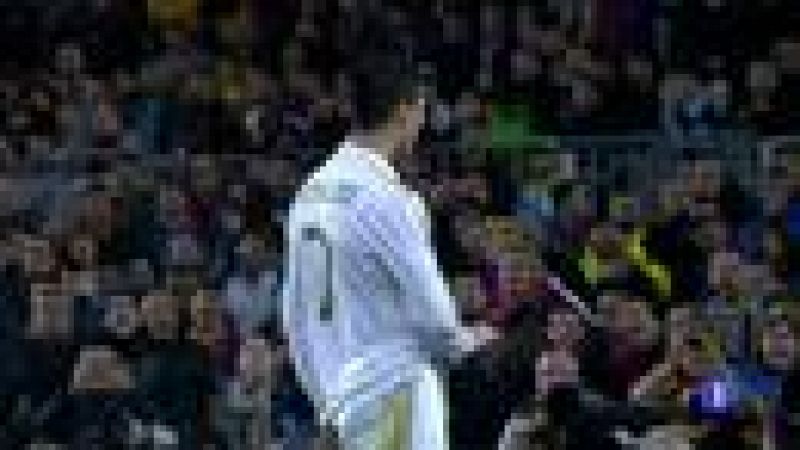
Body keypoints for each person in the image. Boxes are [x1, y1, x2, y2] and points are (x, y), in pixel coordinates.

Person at [280, 6, 492, 450]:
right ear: (404, 111)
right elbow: (435, 313)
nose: (422, 122)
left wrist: (325, 404)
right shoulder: (389, 200)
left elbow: (295, 316)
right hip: (397, 390)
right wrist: (465, 343)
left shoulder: (309, 192)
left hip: (340, 400)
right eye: (421, 111)